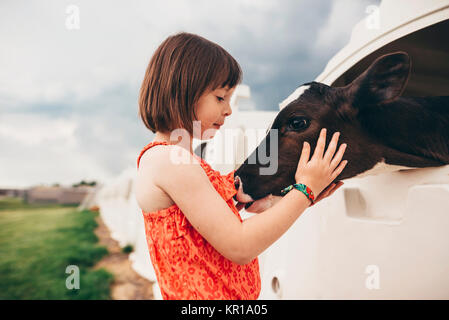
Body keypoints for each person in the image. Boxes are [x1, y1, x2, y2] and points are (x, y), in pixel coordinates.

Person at [135, 32, 348, 300]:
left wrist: (301, 198)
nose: (228, 110)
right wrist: (304, 191)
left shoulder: (180, 163)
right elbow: (240, 244)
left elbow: (238, 217)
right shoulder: (170, 162)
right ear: (183, 92)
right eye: (220, 98)